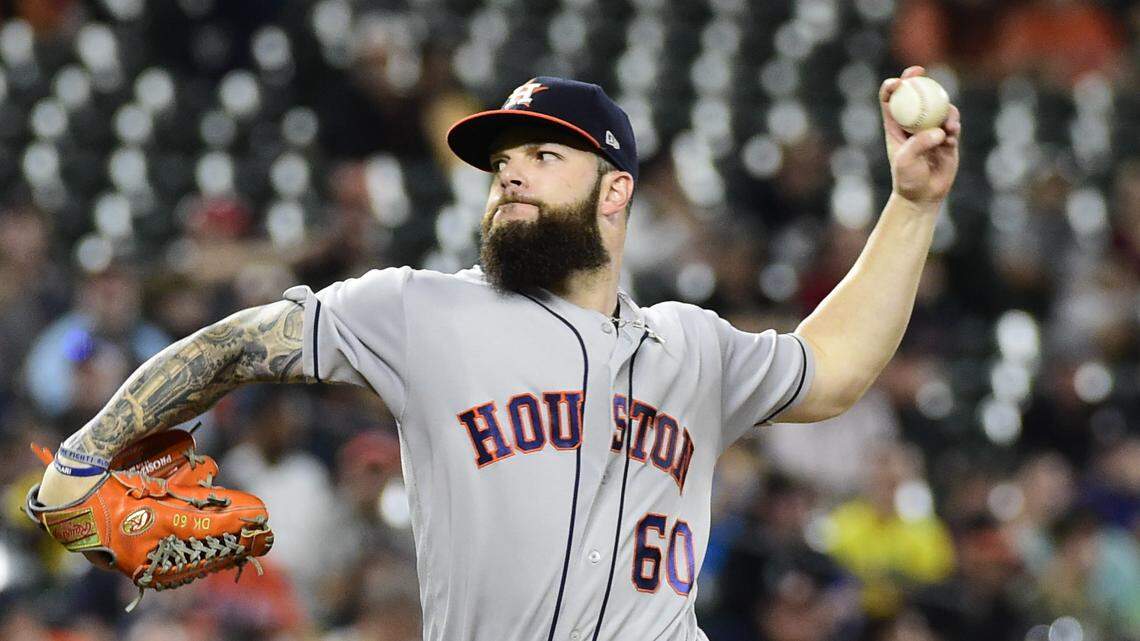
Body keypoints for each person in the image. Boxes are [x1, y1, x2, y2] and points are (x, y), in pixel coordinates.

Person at [33, 69, 961, 640]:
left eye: (543, 154)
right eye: (501, 159)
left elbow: (833, 367)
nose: (509, 169)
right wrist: (86, 452)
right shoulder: (419, 310)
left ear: (615, 192)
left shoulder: (693, 345)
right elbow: (237, 343)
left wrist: (913, 207)